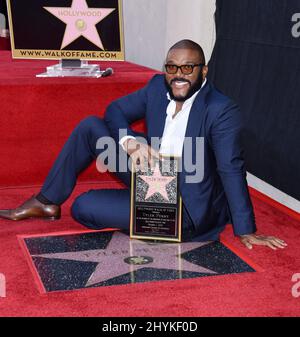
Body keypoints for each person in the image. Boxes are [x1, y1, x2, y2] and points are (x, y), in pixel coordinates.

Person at [0, 39, 287, 250]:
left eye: (188, 68)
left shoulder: (221, 109)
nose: (178, 75)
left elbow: (231, 168)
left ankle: (154, 226)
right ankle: (46, 202)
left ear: (204, 71)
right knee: (90, 126)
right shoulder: (156, 88)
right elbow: (115, 110)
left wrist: (246, 229)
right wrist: (130, 142)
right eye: (172, 67)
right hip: (149, 171)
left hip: (183, 205)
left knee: (84, 208)